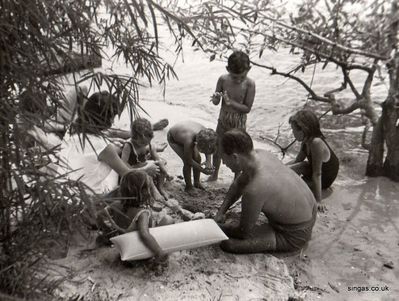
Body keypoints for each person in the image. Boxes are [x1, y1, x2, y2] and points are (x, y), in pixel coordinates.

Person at [214, 129, 316, 254]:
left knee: (228, 245)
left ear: (235, 157)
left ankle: (278, 240)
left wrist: (216, 227)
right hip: (311, 212)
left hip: (294, 234)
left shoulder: (254, 189)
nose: (224, 163)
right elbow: (238, 184)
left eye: (224, 158)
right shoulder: (261, 154)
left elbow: (242, 232)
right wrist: (221, 211)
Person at [58, 91, 160, 195]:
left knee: (115, 151)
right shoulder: (102, 146)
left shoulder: (71, 129)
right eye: (113, 117)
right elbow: (127, 175)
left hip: (62, 191)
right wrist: (146, 169)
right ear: (106, 118)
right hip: (86, 198)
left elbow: (96, 145)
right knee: (118, 166)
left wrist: (111, 142)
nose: (113, 121)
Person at [96, 170, 174, 266]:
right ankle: (154, 258)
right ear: (144, 192)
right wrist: (159, 252)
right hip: (140, 250)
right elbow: (144, 234)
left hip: (124, 247)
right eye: (149, 188)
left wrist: (106, 230)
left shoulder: (116, 204)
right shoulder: (142, 213)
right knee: (168, 220)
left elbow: (100, 215)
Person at [208, 50, 256, 181]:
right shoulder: (223, 79)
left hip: (238, 123)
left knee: (238, 151)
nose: (238, 80)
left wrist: (231, 103)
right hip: (223, 120)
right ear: (227, 69)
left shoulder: (250, 84)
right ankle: (214, 174)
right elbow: (216, 102)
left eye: (242, 76)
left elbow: (247, 108)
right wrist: (216, 98)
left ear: (249, 69)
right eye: (235, 77)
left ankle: (236, 178)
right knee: (218, 147)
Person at [287, 109, 339, 212]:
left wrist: (318, 200)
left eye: (293, 130)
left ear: (303, 130)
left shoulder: (316, 143)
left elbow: (317, 174)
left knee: (293, 185)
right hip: (313, 171)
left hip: (324, 179)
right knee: (299, 166)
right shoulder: (306, 141)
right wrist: (281, 167)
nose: (292, 133)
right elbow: (297, 161)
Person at [121, 118, 172, 199]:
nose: (144, 145)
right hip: (133, 170)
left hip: (144, 165)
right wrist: (141, 169)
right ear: (134, 137)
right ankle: (154, 192)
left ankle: (160, 187)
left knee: (161, 163)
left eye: (147, 142)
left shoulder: (148, 144)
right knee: (147, 176)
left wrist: (165, 172)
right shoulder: (128, 145)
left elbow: (157, 159)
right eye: (142, 142)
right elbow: (123, 163)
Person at [167, 120, 217, 192]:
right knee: (187, 163)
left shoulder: (207, 134)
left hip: (185, 130)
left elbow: (209, 147)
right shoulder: (189, 140)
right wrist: (203, 170)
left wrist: (209, 162)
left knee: (197, 159)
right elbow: (189, 160)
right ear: (197, 144)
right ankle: (188, 187)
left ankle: (196, 182)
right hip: (173, 137)